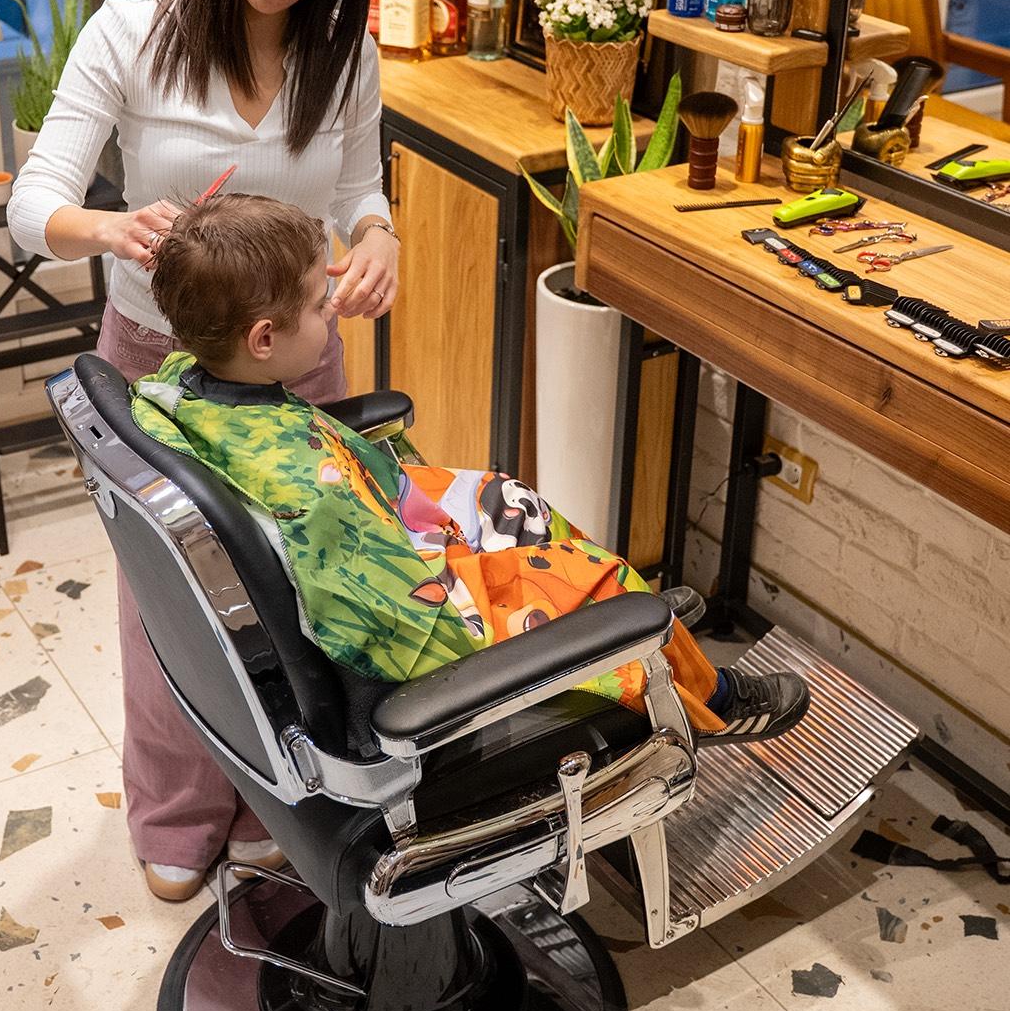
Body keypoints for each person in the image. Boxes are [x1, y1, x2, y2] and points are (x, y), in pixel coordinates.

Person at [7, 0, 398, 900]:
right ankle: (178, 809)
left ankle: (279, 796)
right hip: (154, 362)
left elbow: (363, 190)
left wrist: (378, 236)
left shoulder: (343, 53)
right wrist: (113, 230)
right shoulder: (133, 32)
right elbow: (34, 204)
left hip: (293, 367)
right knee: (171, 597)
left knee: (294, 594)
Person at [132, 194, 811, 794]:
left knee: (503, 496)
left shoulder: (183, 383)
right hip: (426, 634)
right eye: (317, 305)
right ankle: (703, 691)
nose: (332, 313)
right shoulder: (312, 494)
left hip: (395, 547)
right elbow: (405, 636)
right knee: (596, 585)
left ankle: (650, 627)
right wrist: (560, 640)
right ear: (263, 339)